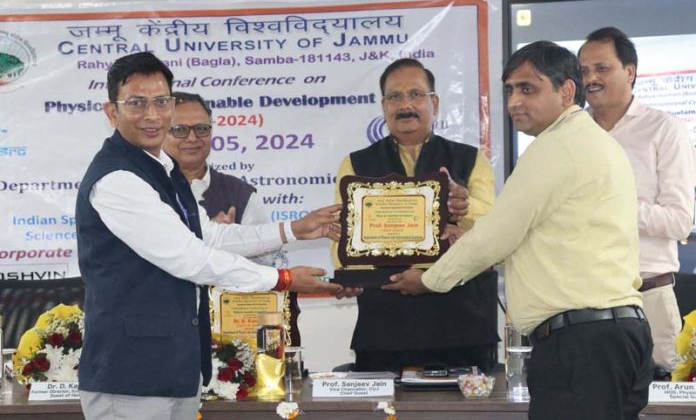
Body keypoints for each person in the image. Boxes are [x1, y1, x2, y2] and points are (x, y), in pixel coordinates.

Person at [384, 41, 653, 420]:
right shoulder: (593, 142)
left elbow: (495, 236)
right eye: (509, 89)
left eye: (528, 88)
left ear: (566, 91)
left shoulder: (555, 148)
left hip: (582, 345)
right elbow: (534, 235)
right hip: (616, 337)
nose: (513, 102)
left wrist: (428, 279)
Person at [75, 52, 342, 420]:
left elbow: (209, 237)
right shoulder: (117, 179)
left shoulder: (162, 169)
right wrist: (281, 279)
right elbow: (191, 258)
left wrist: (292, 230)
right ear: (111, 112)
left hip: (175, 370)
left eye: (161, 102)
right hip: (130, 377)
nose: (152, 115)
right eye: (137, 103)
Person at [332, 58, 497, 372]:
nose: (405, 105)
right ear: (383, 107)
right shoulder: (355, 164)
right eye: (395, 97)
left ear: (434, 102)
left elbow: (492, 230)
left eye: (416, 95)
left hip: (462, 327)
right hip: (385, 327)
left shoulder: (469, 158)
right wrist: (363, 274)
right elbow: (343, 239)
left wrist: (465, 209)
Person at [578, 27, 696, 375]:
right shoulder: (570, 134)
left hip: (648, 298)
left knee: (662, 407)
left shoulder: (664, 129)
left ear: (630, 71)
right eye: (584, 71)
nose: (591, 79)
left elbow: (679, 221)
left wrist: (611, 208)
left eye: (602, 68)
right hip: (583, 300)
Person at [162, 91, 301, 346]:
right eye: (180, 129)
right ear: (160, 132)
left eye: (201, 129)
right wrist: (212, 238)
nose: (192, 138)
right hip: (166, 329)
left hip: (235, 334)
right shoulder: (147, 190)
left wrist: (233, 245)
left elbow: (269, 264)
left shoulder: (240, 194)